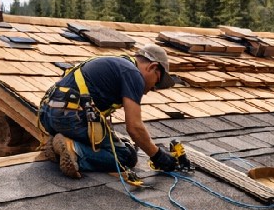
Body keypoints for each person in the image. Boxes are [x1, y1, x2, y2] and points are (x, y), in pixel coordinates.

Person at [38, 44, 177, 182]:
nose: (152, 89)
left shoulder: (118, 63)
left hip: (48, 115)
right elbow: (134, 127)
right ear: (152, 67)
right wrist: (158, 156)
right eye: (157, 82)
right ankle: (75, 150)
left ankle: (59, 145)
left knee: (123, 145)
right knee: (126, 157)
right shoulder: (133, 74)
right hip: (70, 118)